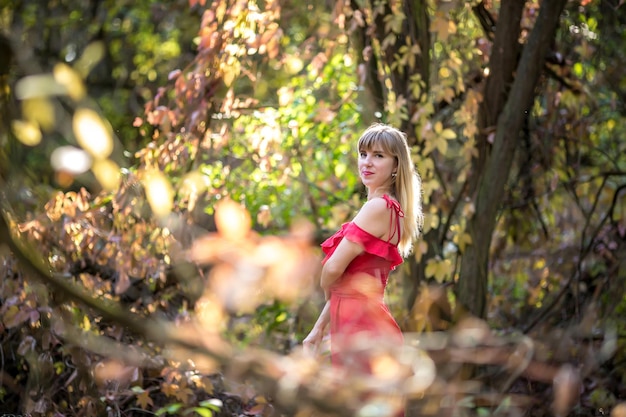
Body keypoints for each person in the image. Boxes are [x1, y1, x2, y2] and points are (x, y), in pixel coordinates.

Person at [302, 123, 423, 375]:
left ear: (396, 165)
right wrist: (319, 328)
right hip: (361, 324)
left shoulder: (379, 207)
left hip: (362, 327)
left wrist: (326, 287)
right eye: (363, 154)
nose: (366, 162)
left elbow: (333, 268)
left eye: (378, 156)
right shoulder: (390, 208)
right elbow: (349, 282)